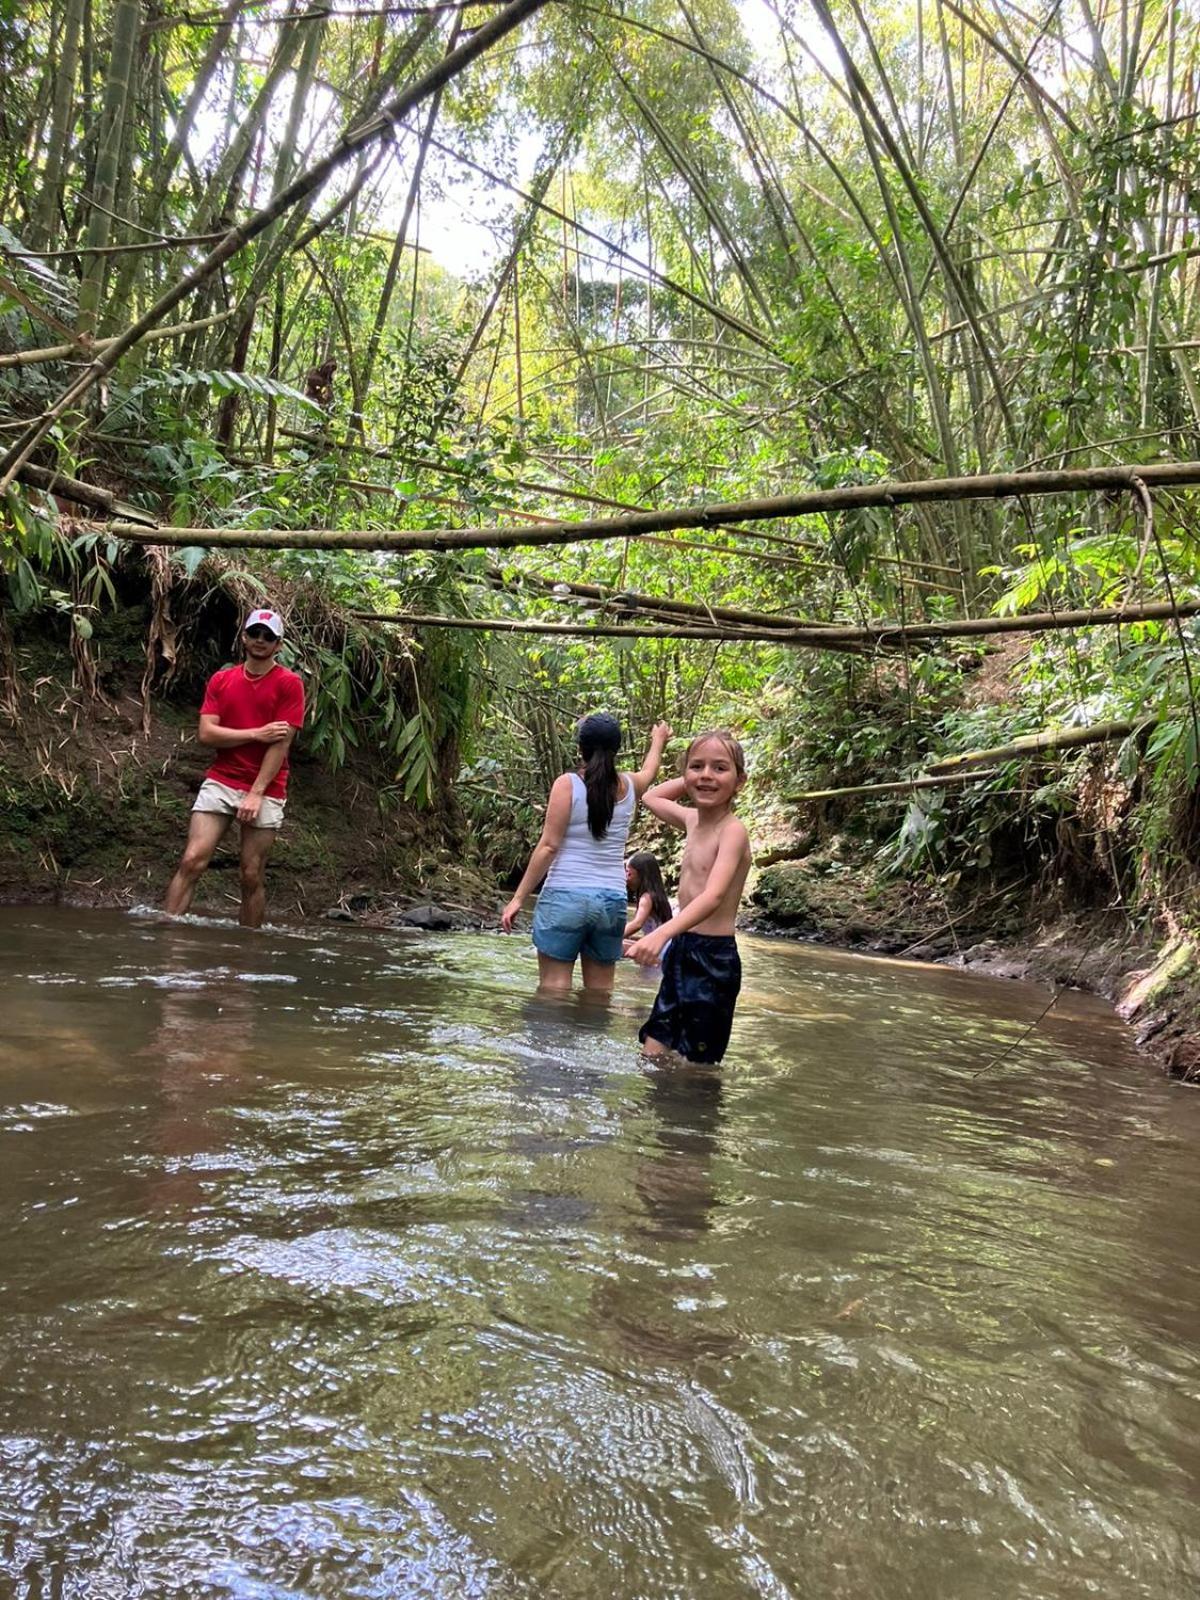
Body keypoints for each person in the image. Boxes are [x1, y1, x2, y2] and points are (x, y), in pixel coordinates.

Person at [501, 715, 673, 993]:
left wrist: (518, 898)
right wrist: (658, 740)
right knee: (599, 992)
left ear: (580, 748)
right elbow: (650, 771)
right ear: (616, 750)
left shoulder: (567, 784)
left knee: (554, 987)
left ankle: (553, 1039)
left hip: (565, 894)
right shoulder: (629, 786)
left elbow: (548, 846)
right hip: (611, 901)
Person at [164, 608, 305, 929]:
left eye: (268, 637)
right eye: (254, 633)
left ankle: (248, 948)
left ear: (278, 645)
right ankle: (166, 936)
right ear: (243, 637)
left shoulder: (289, 684)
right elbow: (207, 734)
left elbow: (281, 743)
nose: (260, 640)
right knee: (192, 860)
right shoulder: (222, 679)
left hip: (266, 787)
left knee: (250, 873)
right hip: (222, 780)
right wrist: (256, 733)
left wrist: (256, 793)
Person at [630, 730, 752, 1065]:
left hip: (714, 959)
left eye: (719, 769)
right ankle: (649, 1111)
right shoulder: (692, 819)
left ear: (740, 781)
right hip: (683, 951)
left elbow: (713, 896)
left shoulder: (732, 831)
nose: (707, 775)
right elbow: (652, 797)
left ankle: (692, 1114)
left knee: (697, 1062)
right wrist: (695, 779)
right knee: (654, 1047)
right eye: (697, 767)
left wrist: (661, 933)